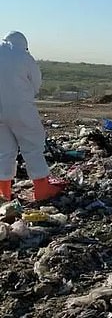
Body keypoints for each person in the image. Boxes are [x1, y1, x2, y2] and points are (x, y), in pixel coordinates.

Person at [0, 31, 66, 201]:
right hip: (21, 109)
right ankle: (42, 188)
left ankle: (4, 192)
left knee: (4, 151)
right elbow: (36, 83)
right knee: (32, 147)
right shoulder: (24, 57)